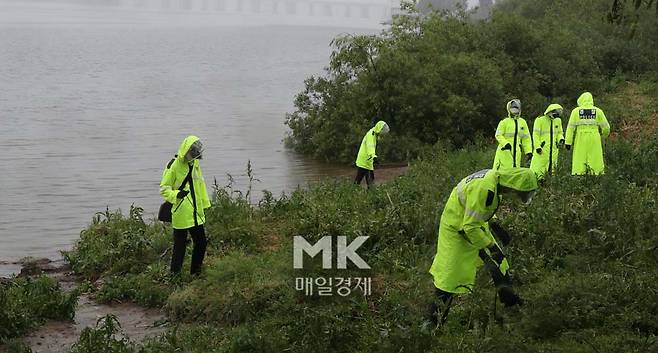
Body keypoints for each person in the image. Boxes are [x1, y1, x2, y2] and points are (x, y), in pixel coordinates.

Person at [428, 168, 538, 326]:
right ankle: (434, 322)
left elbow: (480, 208)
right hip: (456, 228)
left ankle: (510, 302)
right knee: (449, 277)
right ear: (513, 186)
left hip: (472, 224)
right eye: (520, 194)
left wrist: (496, 226)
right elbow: (470, 226)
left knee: (500, 264)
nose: (519, 197)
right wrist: (491, 247)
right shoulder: (486, 188)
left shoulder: (495, 182)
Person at [160, 135, 211, 275]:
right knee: (179, 246)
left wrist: (205, 205)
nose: (195, 156)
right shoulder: (173, 165)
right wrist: (176, 195)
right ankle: (174, 275)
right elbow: (164, 189)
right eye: (192, 153)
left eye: (196, 153)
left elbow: (200, 185)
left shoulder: (195, 164)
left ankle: (196, 273)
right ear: (186, 151)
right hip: (181, 213)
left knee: (201, 243)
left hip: (196, 212)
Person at [565, 92, 611, 175]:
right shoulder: (598, 111)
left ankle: (578, 174)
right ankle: (596, 174)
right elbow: (606, 127)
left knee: (580, 157)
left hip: (580, 138)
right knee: (595, 157)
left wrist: (568, 142)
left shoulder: (575, 111)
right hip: (594, 137)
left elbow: (570, 128)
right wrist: (603, 136)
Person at [493, 99, 533, 170]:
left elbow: (526, 138)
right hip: (504, 151)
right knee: (503, 171)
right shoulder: (504, 122)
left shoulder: (522, 122)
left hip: (517, 152)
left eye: (516, 108)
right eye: (512, 108)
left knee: (515, 171)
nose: (514, 110)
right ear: (509, 109)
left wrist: (528, 151)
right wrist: (505, 143)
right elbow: (498, 135)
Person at [530, 104, 565, 178]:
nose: (556, 115)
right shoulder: (540, 120)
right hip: (542, 149)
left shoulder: (558, 121)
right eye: (555, 113)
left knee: (552, 165)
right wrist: (537, 147)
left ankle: (550, 182)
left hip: (553, 149)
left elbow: (559, 133)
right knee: (539, 165)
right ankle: (537, 180)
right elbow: (535, 135)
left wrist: (561, 139)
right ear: (550, 112)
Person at [354, 121, 390, 188]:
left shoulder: (374, 133)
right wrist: (374, 157)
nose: (382, 134)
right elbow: (370, 147)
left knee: (360, 180)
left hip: (367, 161)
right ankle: (353, 194)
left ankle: (352, 193)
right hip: (365, 161)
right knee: (368, 182)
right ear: (379, 129)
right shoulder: (371, 135)